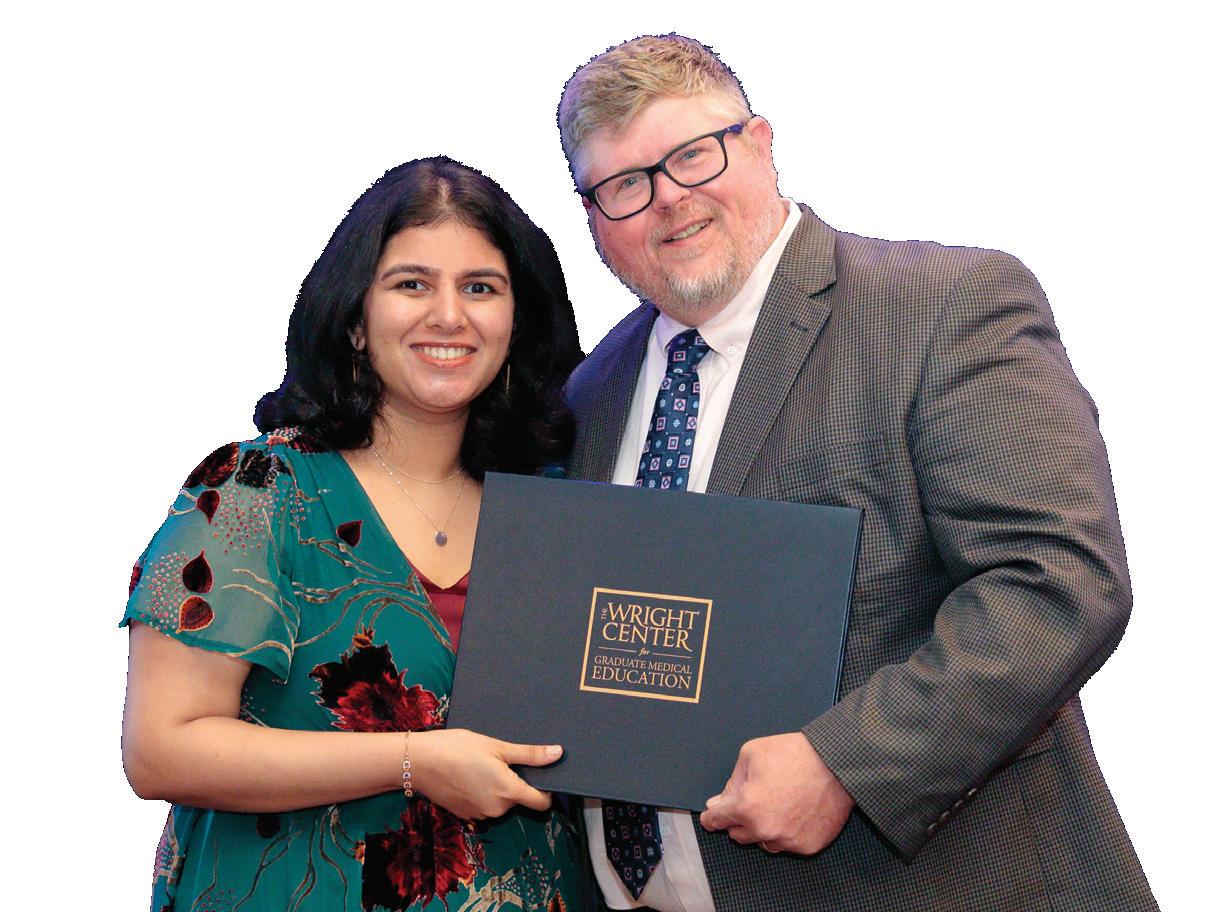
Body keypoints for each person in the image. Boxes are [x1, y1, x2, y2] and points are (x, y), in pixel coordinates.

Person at [557, 35, 1157, 911]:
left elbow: (1056, 581)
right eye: (623, 184)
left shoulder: (943, 305)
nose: (669, 198)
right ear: (592, 216)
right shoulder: (591, 391)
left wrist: (846, 763)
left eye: (692, 155)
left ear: (760, 144)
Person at [121, 157, 586, 912]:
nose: (449, 315)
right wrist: (412, 762)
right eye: (411, 284)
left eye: (480, 287)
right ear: (354, 320)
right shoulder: (253, 489)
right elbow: (161, 749)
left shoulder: (560, 507)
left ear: (517, 322)